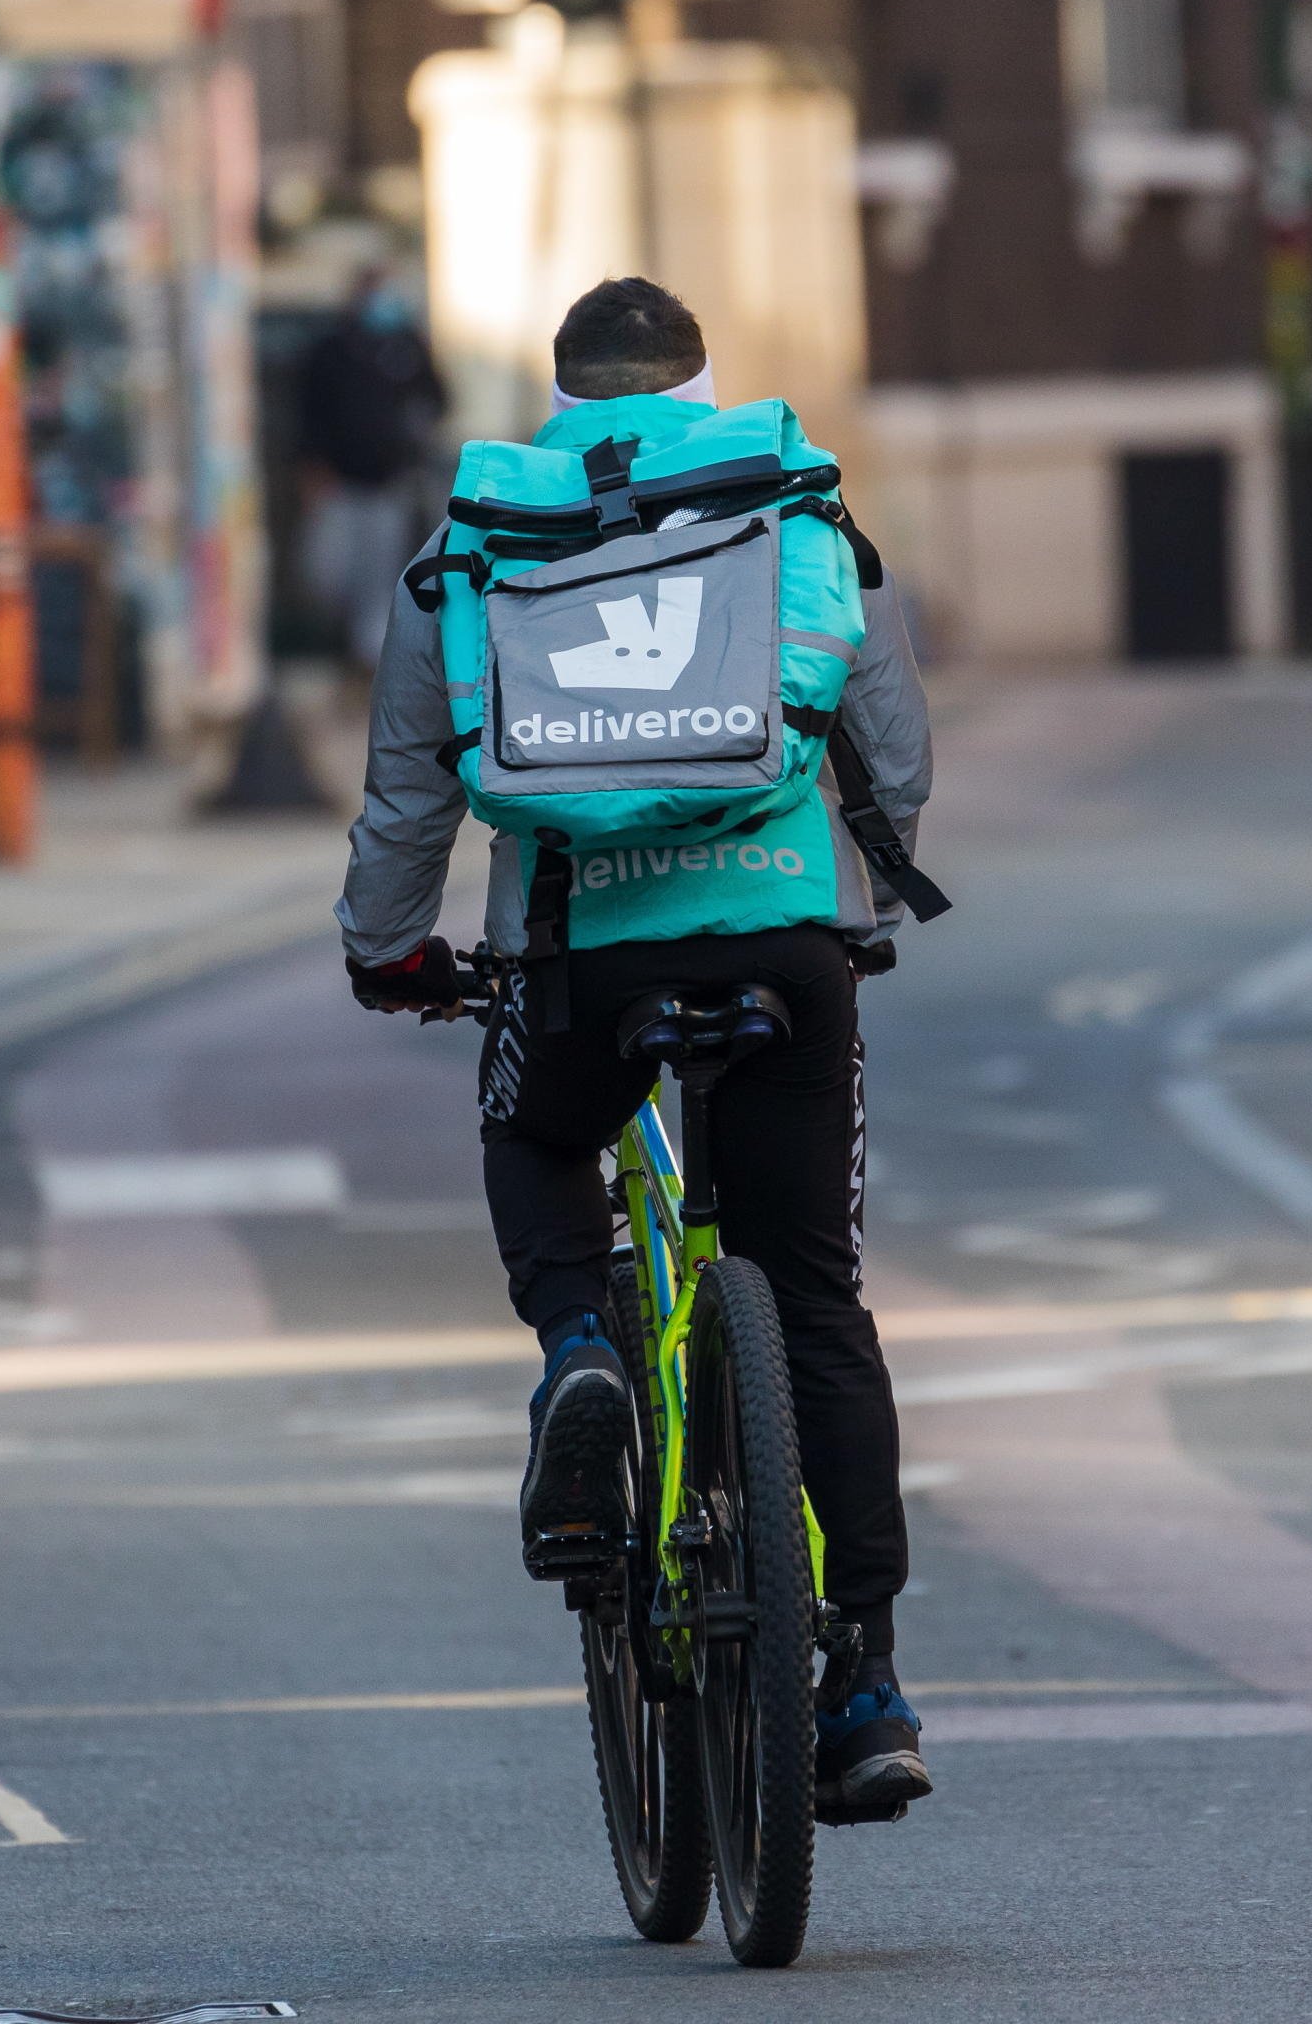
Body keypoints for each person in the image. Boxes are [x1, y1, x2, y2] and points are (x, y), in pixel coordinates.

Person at [336, 278, 937, 1817]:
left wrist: (388, 951)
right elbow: (888, 742)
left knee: (536, 1135)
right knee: (814, 1297)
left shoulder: (481, 538)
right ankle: (863, 1677)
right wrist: (855, 890)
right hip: (788, 938)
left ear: (563, 394)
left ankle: (584, 1353)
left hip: (583, 955)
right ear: (696, 380)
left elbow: (414, 787)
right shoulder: (780, 497)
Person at [299, 262, 447, 673]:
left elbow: (437, 400)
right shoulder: (330, 348)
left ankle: (368, 661)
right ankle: (341, 644)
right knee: (329, 575)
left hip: (390, 484)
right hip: (339, 486)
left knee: (381, 579)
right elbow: (308, 416)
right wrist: (312, 473)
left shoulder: (407, 345)